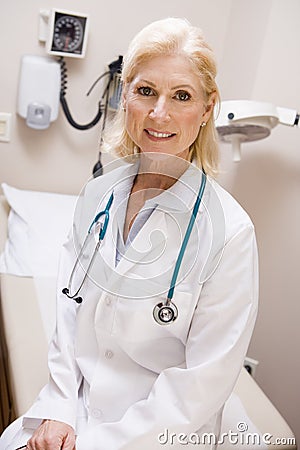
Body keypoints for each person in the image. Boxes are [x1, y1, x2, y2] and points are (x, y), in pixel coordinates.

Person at [0, 17, 258, 450]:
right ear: (126, 94)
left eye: (181, 96)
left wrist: (97, 444)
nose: (160, 114)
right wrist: (60, 410)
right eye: (145, 91)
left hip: (161, 435)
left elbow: (199, 387)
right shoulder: (100, 197)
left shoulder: (231, 233)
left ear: (208, 107)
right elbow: (67, 307)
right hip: (77, 407)